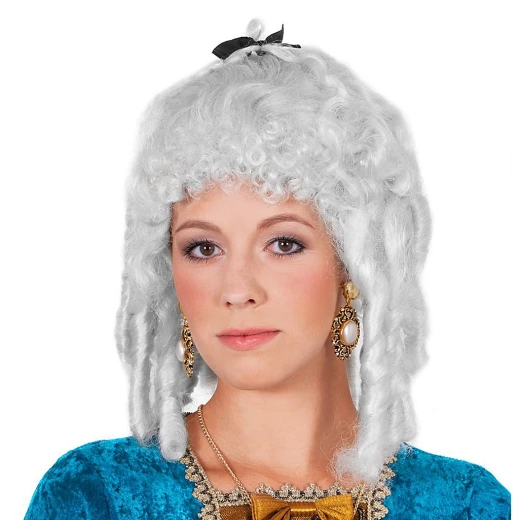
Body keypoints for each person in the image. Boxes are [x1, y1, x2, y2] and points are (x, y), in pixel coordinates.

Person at [24, 18, 510, 520]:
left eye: (283, 243)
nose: (237, 290)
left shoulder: (463, 504)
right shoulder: (96, 496)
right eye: (203, 248)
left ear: (353, 264)